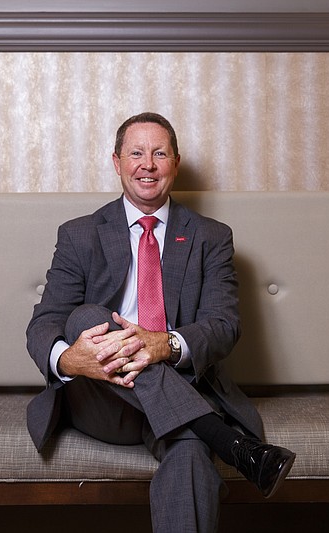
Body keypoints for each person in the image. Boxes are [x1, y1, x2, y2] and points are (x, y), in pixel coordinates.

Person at [26, 112, 295, 532]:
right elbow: (43, 325)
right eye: (136, 153)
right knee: (88, 317)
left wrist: (165, 344)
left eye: (159, 154)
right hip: (105, 400)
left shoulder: (211, 237)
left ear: (175, 163)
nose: (147, 165)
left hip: (182, 390)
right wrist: (70, 361)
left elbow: (224, 325)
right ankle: (231, 444)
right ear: (117, 162)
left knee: (190, 456)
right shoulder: (80, 234)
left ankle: (200, 432)